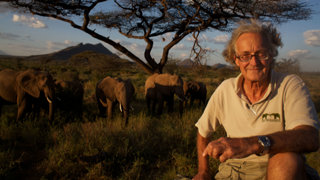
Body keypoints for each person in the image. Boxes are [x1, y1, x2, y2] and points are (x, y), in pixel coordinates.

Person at [193, 20, 319, 180]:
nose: (254, 62)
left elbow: (310, 137)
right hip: (234, 170)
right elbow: (203, 132)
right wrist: (203, 171)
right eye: (245, 56)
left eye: (261, 54)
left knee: (286, 159)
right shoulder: (225, 89)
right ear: (236, 60)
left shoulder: (290, 85)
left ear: (271, 56)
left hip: (280, 167)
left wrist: (254, 143)